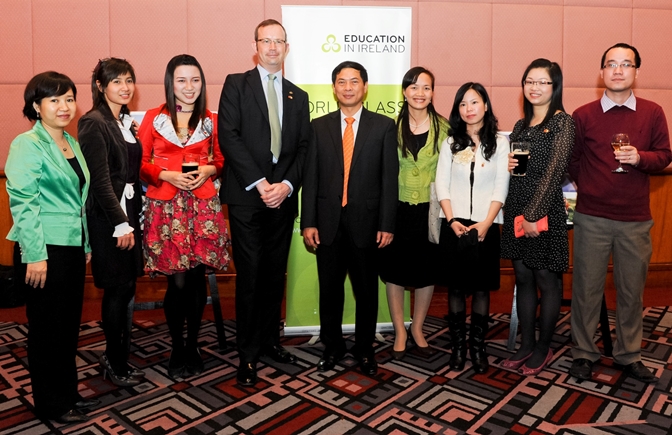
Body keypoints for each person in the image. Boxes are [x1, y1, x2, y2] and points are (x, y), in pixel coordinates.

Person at [568, 43, 672, 383]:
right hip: (592, 217)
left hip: (635, 219)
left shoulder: (653, 112)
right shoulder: (582, 115)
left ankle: (629, 354)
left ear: (636, 73)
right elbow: (573, 160)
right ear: (601, 73)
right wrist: (594, 184)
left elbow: (664, 155)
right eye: (611, 64)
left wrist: (640, 158)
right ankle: (584, 353)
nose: (618, 70)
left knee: (631, 291)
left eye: (626, 64)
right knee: (586, 289)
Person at [218, 19, 310, 387]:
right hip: (246, 197)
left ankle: (271, 341)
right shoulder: (235, 85)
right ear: (256, 46)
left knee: (275, 274)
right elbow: (229, 136)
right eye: (266, 41)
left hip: (283, 200)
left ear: (287, 48)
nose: (273, 47)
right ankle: (248, 354)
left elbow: (304, 148)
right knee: (251, 275)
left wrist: (286, 185)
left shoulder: (297, 96)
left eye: (279, 42)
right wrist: (261, 184)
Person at [6, 72, 96, 423]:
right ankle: (50, 403)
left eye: (69, 99)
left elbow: (78, 199)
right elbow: (24, 202)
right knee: (46, 331)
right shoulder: (26, 144)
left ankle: (68, 394)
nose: (64, 107)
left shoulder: (71, 143)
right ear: (36, 106)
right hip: (42, 250)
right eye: (54, 100)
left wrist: (85, 242)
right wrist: (36, 254)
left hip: (71, 248)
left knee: (69, 327)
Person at [302, 61, 398, 376]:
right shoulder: (318, 126)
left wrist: (387, 223)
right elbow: (310, 178)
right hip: (327, 224)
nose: (347, 87)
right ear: (333, 88)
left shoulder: (383, 126)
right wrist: (308, 222)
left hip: (367, 225)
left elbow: (389, 180)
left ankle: (364, 349)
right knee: (329, 291)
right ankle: (332, 348)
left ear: (365, 87)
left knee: (366, 292)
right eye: (341, 82)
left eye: (353, 81)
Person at [139, 54, 230, 379]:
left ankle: (193, 344)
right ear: (170, 83)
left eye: (195, 80)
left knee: (195, 280)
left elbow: (221, 159)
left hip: (202, 208)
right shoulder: (153, 117)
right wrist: (165, 175)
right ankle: (178, 347)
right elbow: (140, 162)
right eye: (182, 80)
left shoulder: (212, 120)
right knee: (176, 282)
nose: (189, 87)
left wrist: (208, 168)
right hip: (166, 209)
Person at [500, 59, 575, 376]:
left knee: (547, 280)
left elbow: (554, 173)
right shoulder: (520, 125)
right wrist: (511, 167)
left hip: (543, 210)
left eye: (543, 82)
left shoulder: (563, 123)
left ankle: (544, 347)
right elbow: (522, 170)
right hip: (517, 206)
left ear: (554, 86)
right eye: (530, 81)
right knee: (523, 278)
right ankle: (526, 344)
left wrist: (532, 215)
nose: (535, 87)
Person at [78, 58, 145, 387]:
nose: (125, 87)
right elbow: (101, 183)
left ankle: (118, 357)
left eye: (129, 80)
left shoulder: (123, 121)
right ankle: (113, 360)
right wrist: (121, 224)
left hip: (129, 213)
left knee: (128, 286)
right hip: (109, 219)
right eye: (116, 81)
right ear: (100, 86)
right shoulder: (93, 122)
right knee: (117, 290)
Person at [436, 83, 509, 374]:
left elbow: (501, 186)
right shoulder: (450, 142)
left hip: (486, 224)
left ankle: (478, 349)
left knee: (480, 289)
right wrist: (452, 219)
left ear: (486, 106)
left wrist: (486, 224)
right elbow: (442, 183)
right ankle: (457, 348)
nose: (469, 109)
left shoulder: (500, 143)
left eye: (474, 102)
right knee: (455, 288)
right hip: (454, 225)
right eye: (463, 104)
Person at [380, 67, 448, 361]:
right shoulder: (388, 128)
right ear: (405, 91)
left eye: (427, 88)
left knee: (426, 271)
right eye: (414, 87)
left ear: (433, 93)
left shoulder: (445, 129)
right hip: (395, 208)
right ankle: (399, 330)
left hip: (431, 211)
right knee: (394, 271)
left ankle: (418, 328)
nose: (420, 93)